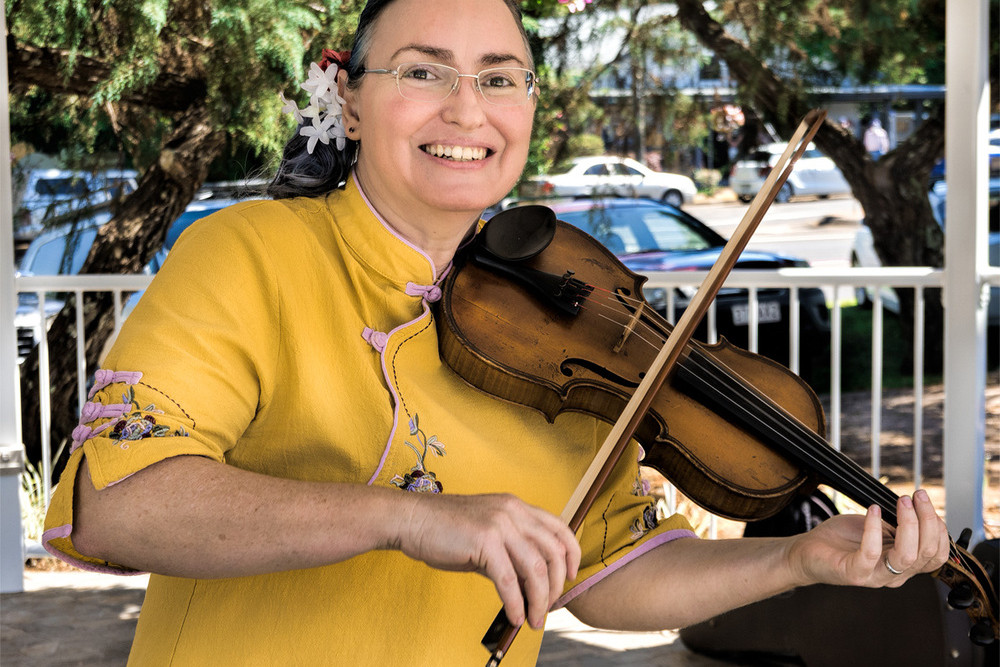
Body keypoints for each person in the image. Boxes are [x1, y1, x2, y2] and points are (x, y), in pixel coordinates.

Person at [43, 0, 951, 664]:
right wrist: (411, 517)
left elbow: (609, 573)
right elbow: (121, 503)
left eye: (498, 79)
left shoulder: (569, 312)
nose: (466, 109)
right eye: (423, 71)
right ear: (350, 102)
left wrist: (795, 558)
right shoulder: (247, 254)